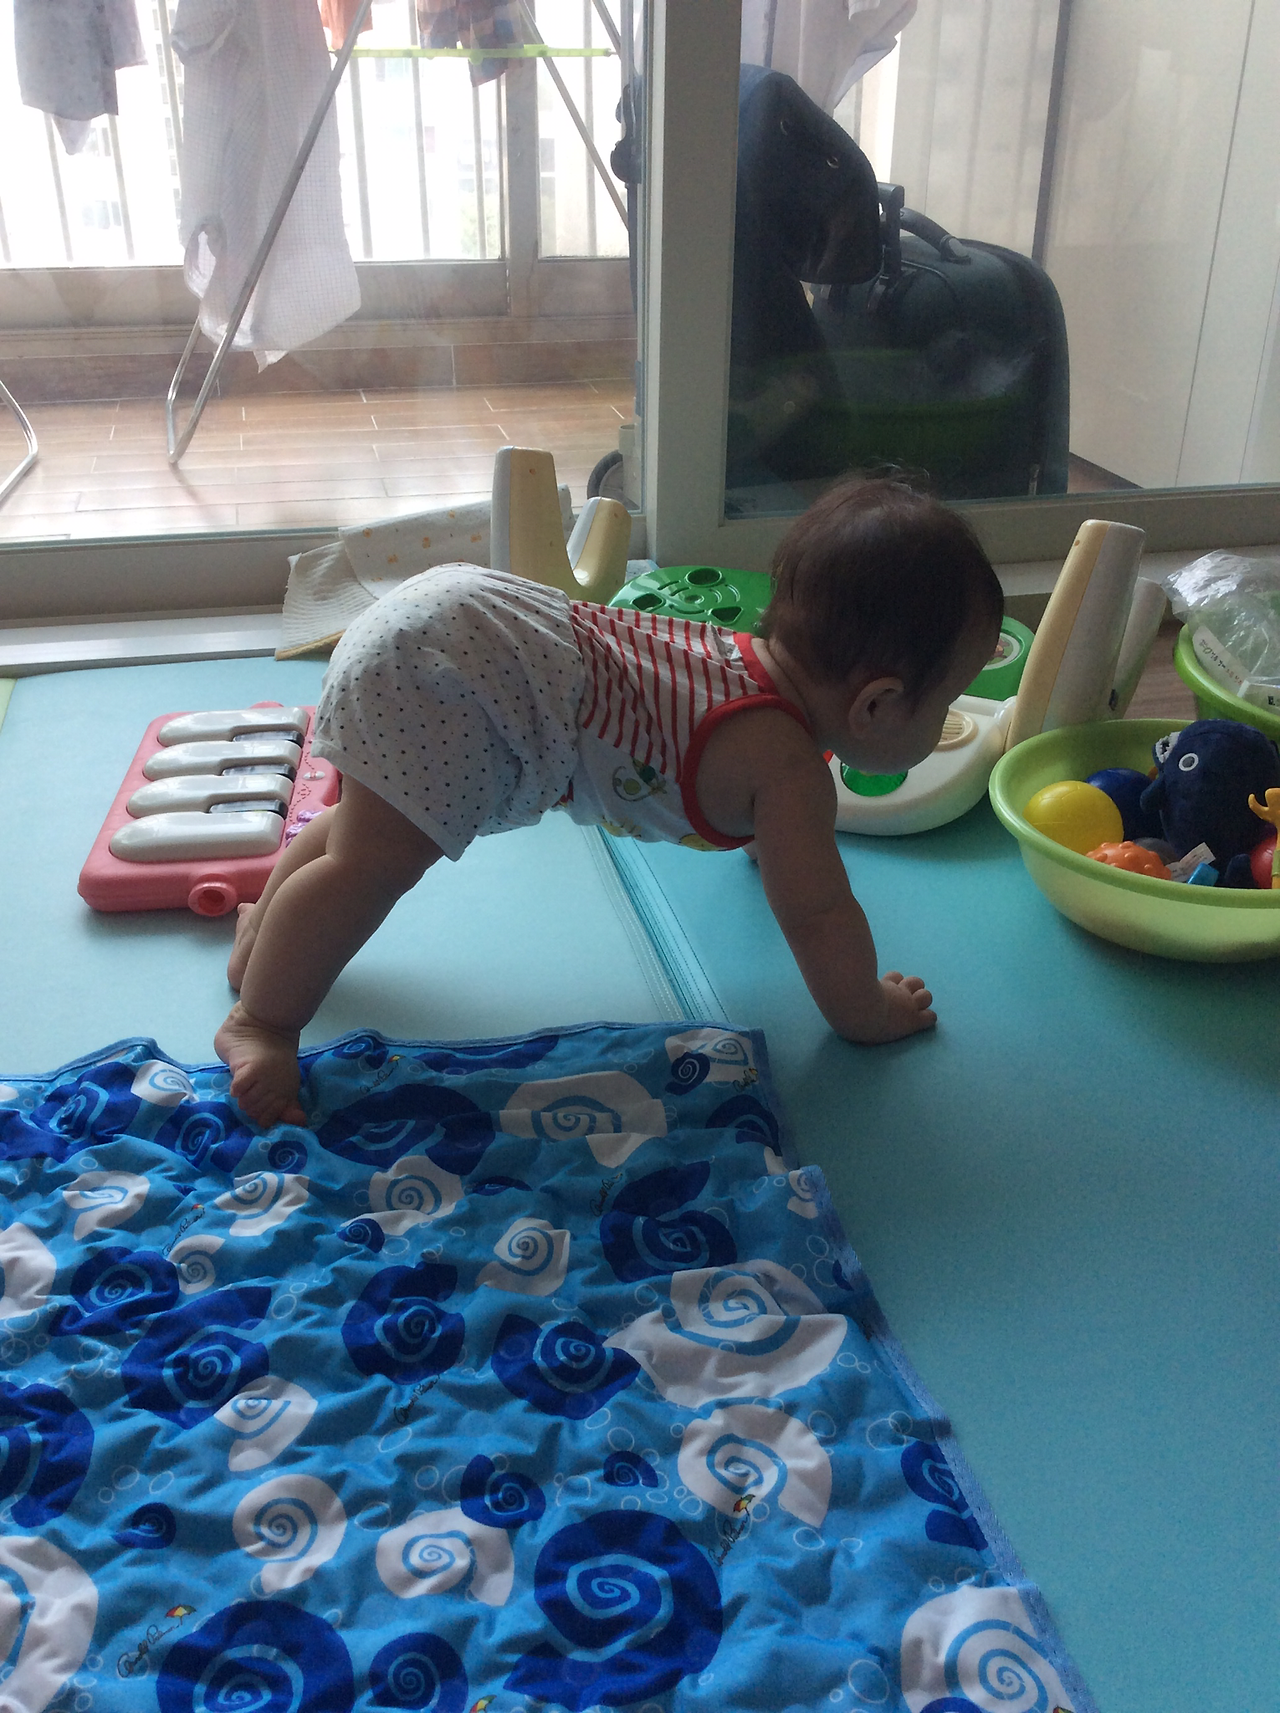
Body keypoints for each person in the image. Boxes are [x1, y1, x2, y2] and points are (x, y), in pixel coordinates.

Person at [216, 477, 1002, 1127]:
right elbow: (820, 915)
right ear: (877, 703)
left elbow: (779, 853)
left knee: (366, 830)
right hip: (459, 677)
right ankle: (263, 1020)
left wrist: (773, 849)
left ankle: (264, 939)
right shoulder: (789, 773)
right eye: (945, 702)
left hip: (454, 618)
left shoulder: (747, 668)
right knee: (373, 863)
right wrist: (866, 1009)